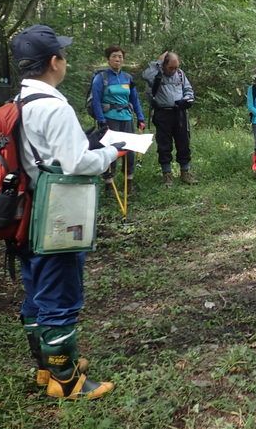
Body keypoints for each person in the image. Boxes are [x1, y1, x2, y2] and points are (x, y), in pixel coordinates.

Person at [12, 25, 124, 399]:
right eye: (63, 55)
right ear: (55, 62)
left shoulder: (20, 102)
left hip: (25, 214)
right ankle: (66, 382)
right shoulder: (54, 106)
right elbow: (77, 163)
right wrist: (113, 151)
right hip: (57, 217)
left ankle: (47, 366)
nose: (66, 60)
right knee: (60, 295)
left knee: (37, 293)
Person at [90, 45, 146, 193]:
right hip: (109, 119)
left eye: (120, 56)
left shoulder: (128, 78)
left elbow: (135, 99)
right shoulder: (100, 78)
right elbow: (96, 100)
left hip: (126, 118)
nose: (117, 59)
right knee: (110, 150)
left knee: (129, 150)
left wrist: (140, 117)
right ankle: (109, 183)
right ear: (108, 59)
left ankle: (129, 182)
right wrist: (101, 120)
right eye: (114, 56)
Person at [142, 52, 196, 186]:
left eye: (176, 67)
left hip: (180, 113)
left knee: (183, 142)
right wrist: (157, 64)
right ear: (163, 65)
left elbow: (188, 89)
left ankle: (185, 172)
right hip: (163, 114)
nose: (173, 71)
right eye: (170, 68)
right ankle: (167, 174)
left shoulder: (180, 74)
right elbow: (146, 76)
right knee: (164, 144)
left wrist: (187, 100)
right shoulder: (156, 74)